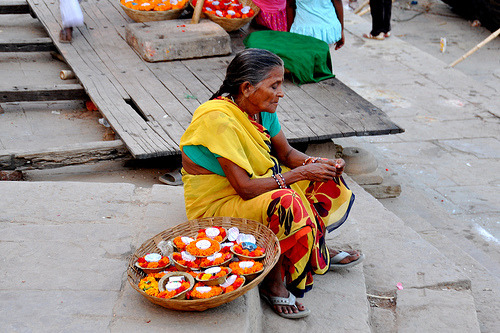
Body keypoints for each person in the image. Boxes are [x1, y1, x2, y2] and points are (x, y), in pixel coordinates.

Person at [179, 48, 363, 319]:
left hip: (250, 188)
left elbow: (287, 154)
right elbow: (244, 188)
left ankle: (315, 246)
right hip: (218, 203)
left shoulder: (259, 109)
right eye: (274, 85)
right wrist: (298, 175)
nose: (281, 92)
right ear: (247, 87)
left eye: (281, 84)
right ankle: (272, 283)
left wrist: (317, 163)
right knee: (286, 202)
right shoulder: (218, 118)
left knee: (325, 180)